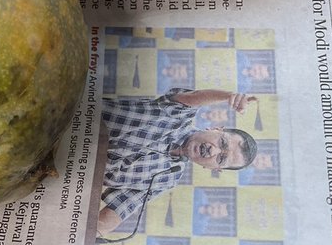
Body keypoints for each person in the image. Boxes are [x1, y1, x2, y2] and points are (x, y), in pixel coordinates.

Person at [97, 88, 258, 237]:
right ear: (216, 129)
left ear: (215, 168)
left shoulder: (168, 179)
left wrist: (86, 234)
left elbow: (119, 209)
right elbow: (193, 97)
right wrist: (228, 96)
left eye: (221, 159)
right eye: (222, 143)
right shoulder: (179, 114)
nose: (212, 150)